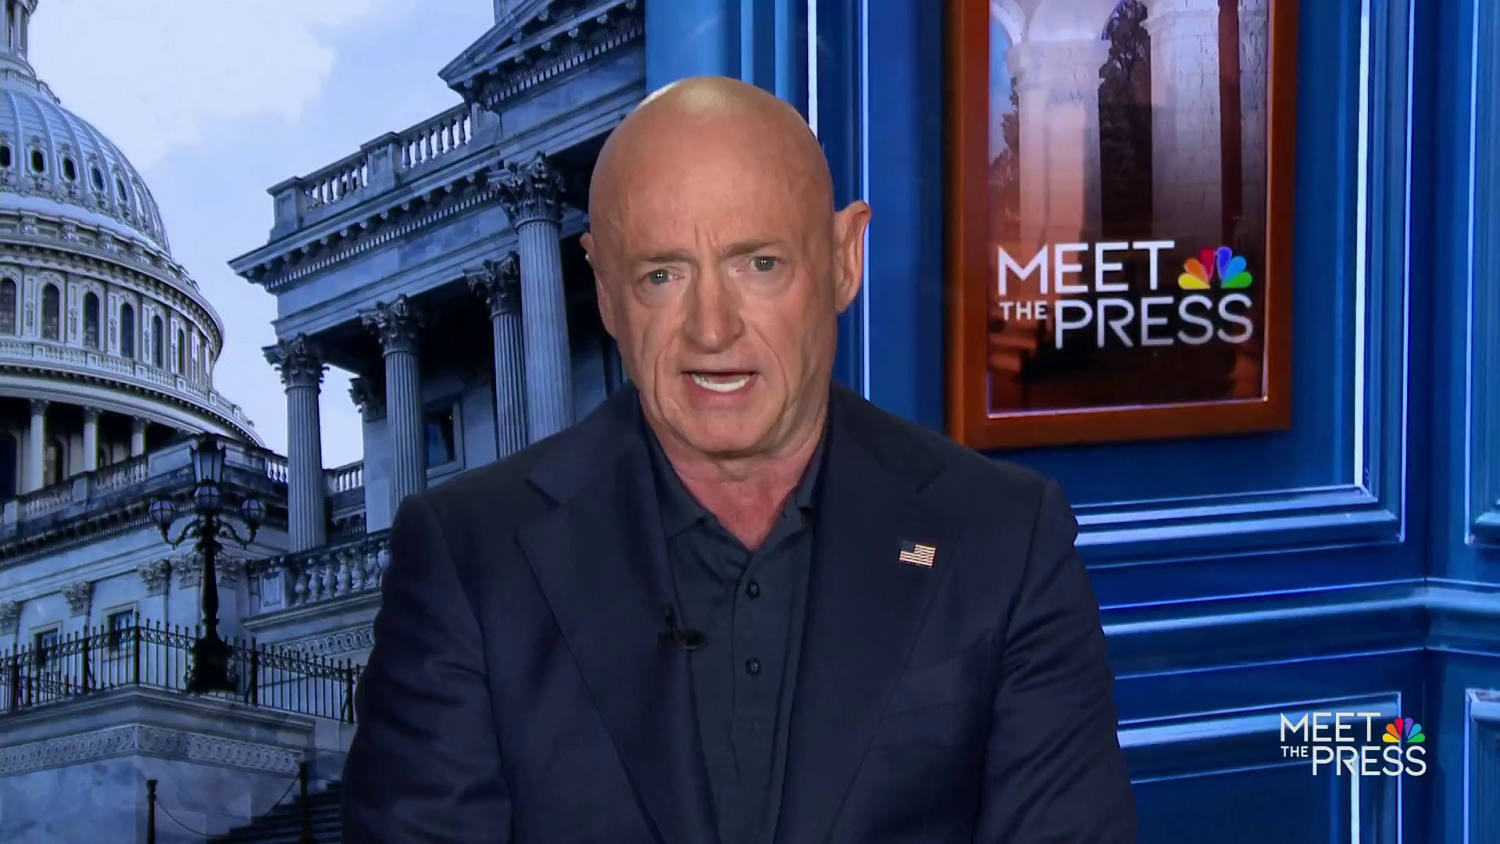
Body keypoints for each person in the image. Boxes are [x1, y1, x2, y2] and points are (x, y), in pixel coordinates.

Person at [341, 75, 1136, 843]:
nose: (711, 330)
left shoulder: (1003, 538)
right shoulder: (466, 558)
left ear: (844, 259)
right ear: (607, 291)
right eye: (661, 274)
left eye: (760, 264)